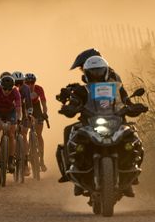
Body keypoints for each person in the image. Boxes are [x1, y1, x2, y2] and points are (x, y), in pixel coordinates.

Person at [58, 56, 139, 197]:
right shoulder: (81, 90)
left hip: (116, 122)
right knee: (70, 133)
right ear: (86, 74)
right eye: (93, 72)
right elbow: (74, 102)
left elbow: (127, 102)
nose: (96, 75)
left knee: (133, 136)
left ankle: (132, 175)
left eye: (99, 71)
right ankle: (71, 171)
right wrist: (69, 108)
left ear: (106, 71)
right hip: (90, 124)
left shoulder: (117, 88)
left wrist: (135, 107)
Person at [0, 75, 22, 173]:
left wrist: (19, 118)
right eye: (5, 89)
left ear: (12, 87)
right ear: (1, 86)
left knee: (11, 135)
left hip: (10, 112)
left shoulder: (16, 92)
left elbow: (18, 109)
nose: (7, 91)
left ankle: (11, 160)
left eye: (9, 89)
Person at [25, 73, 48, 172]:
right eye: (28, 83)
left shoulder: (39, 89)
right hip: (25, 107)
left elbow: (43, 102)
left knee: (39, 134)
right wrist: (27, 116)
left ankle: (42, 160)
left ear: (35, 82)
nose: (30, 85)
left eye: (32, 83)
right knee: (24, 133)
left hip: (36, 107)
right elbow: (20, 104)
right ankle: (25, 161)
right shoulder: (21, 90)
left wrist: (45, 113)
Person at [12, 71, 33, 176]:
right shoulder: (10, 89)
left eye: (20, 83)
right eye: (16, 83)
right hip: (11, 112)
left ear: (23, 82)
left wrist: (29, 113)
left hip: (23, 112)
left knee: (24, 134)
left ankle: (25, 162)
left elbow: (29, 102)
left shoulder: (26, 89)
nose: (18, 85)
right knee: (11, 134)